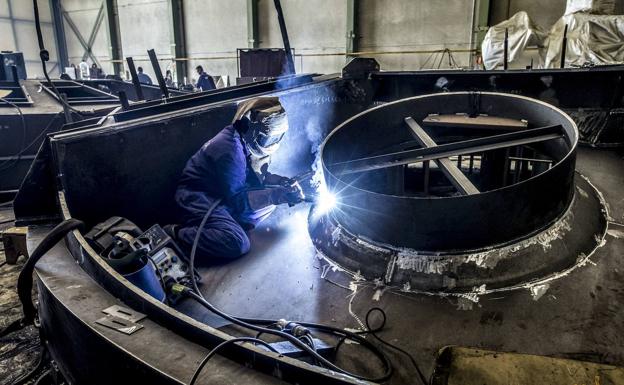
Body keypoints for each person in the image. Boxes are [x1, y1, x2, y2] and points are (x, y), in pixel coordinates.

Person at [170, 97, 303, 262]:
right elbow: (238, 200)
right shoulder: (230, 150)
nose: (271, 144)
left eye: (277, 138)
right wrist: (275, 195)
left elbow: (255, 176)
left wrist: (280, 182)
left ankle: (225, 225)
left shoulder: (243, 138)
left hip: (222, 193)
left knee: (269, 206)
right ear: (250, 127)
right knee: (237, 243)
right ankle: (177, 234)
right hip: (198, 198)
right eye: (267, 139)